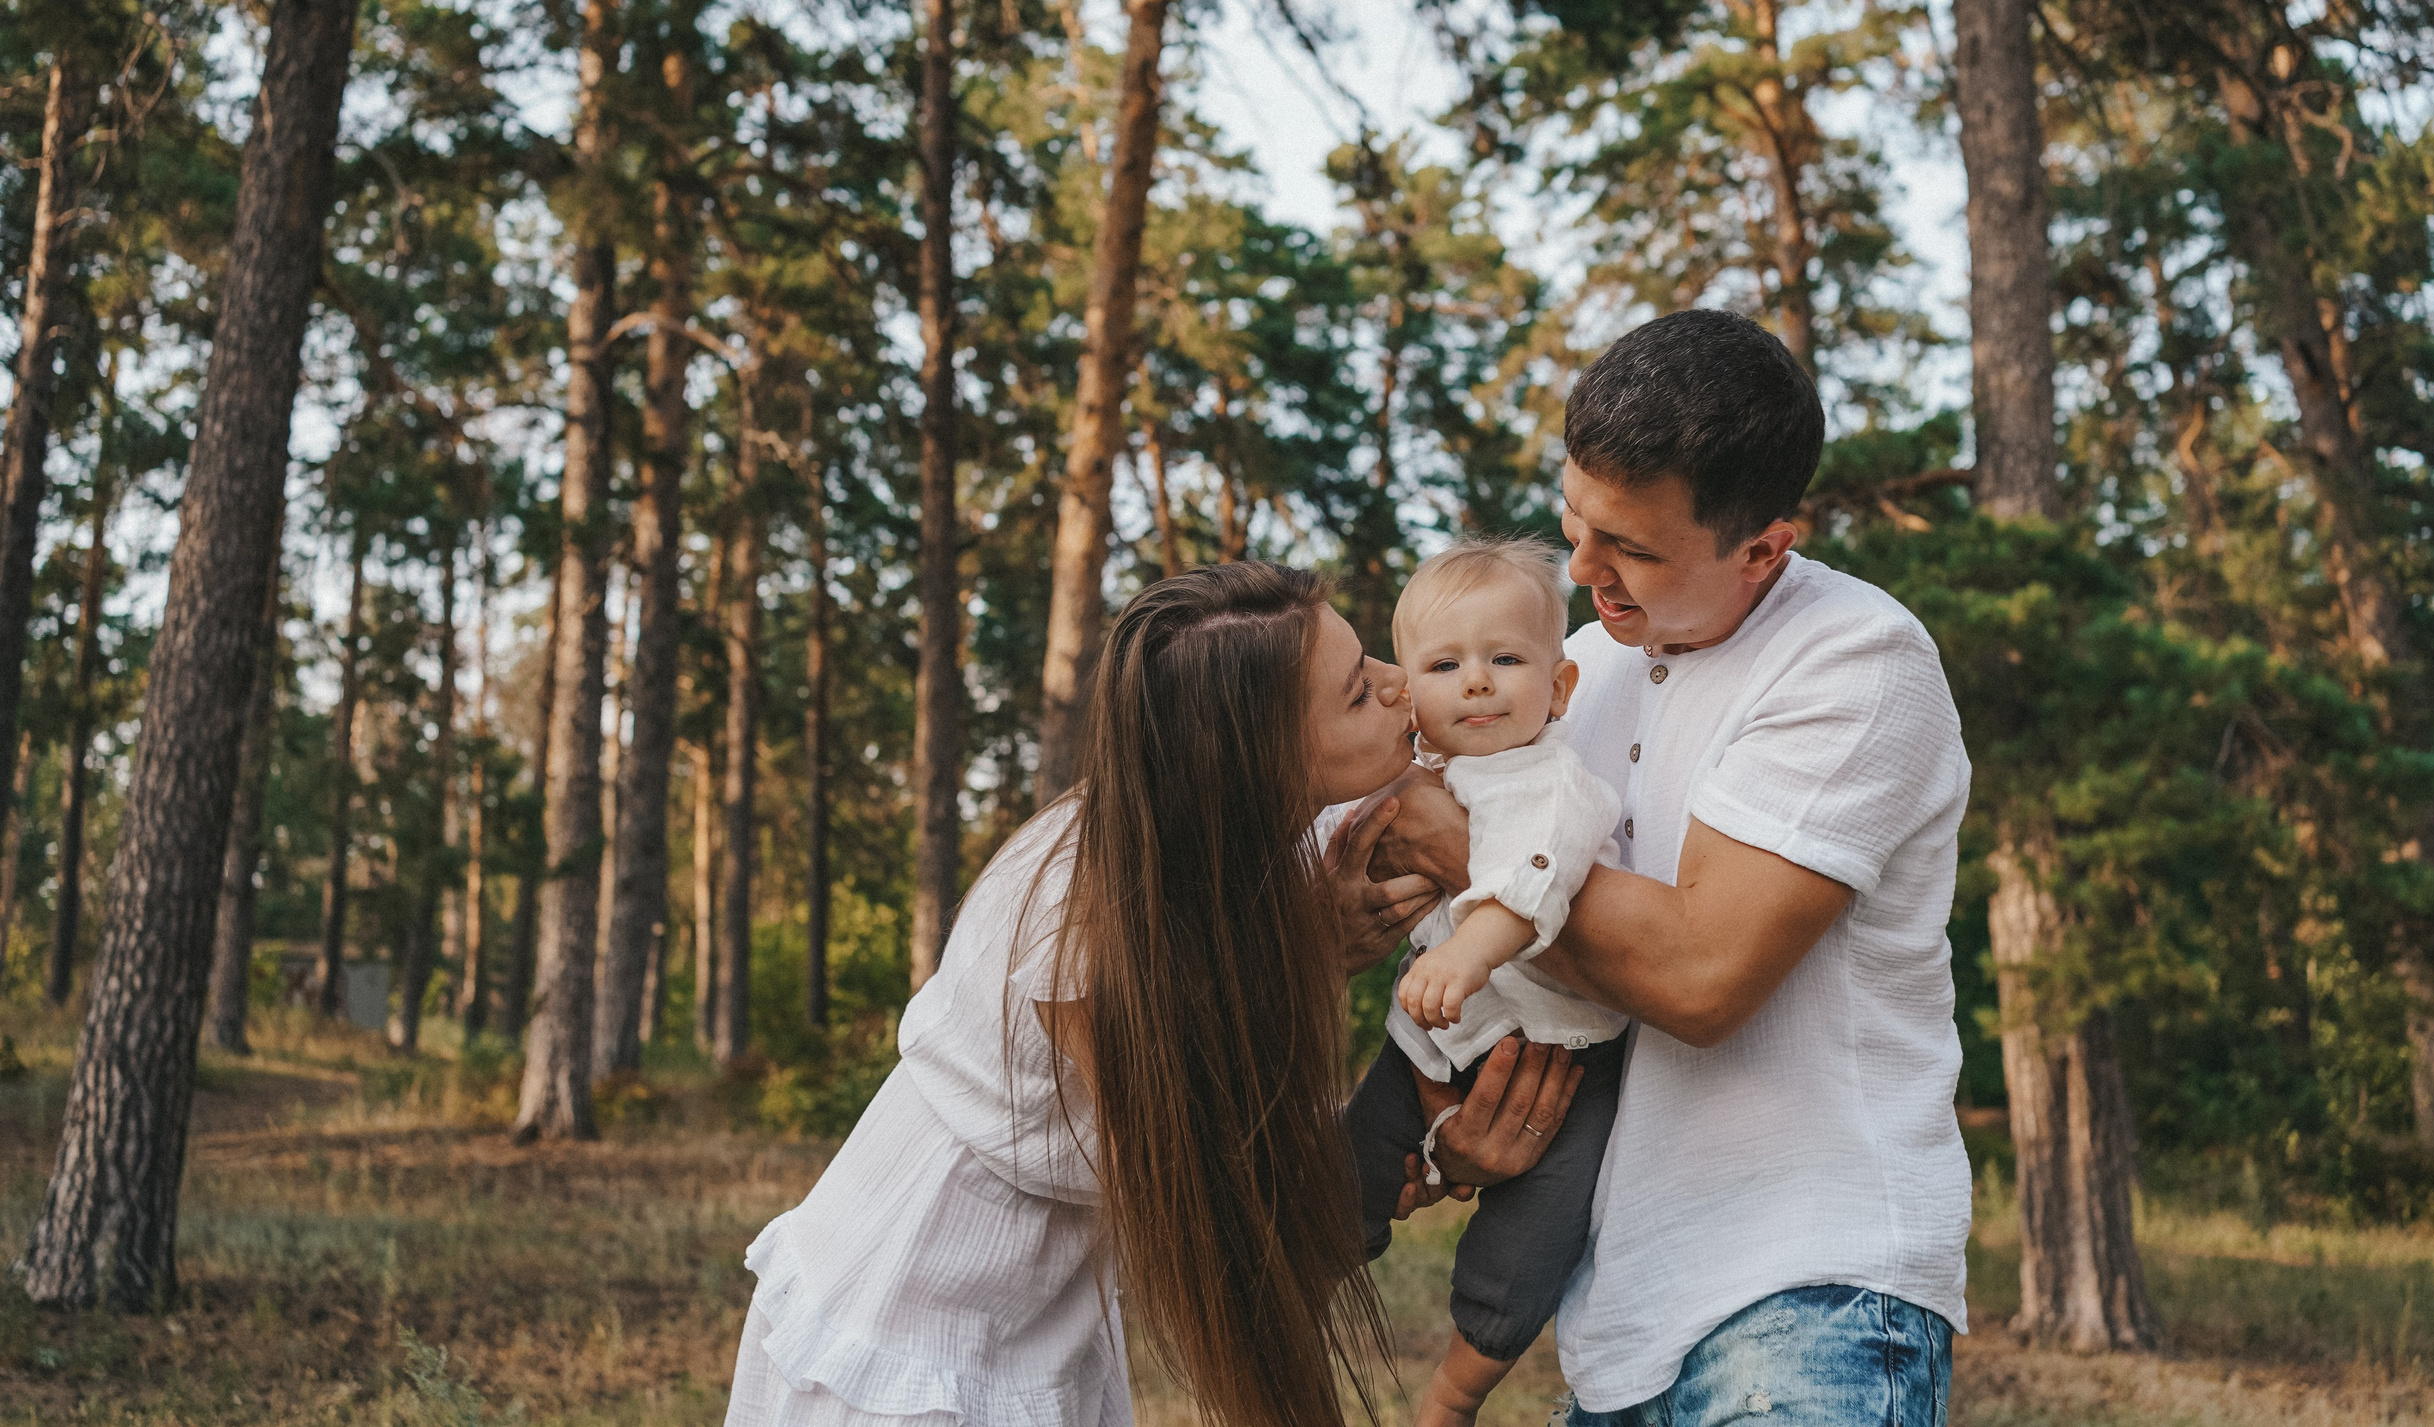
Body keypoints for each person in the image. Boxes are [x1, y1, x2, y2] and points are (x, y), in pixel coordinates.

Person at [720, 561, 1570, 1427]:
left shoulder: (1250, 821)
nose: (1402, 687)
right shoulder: (1082, 925)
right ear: (1259, 758)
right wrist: (1419, 1137)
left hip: (1051, 1316)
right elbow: (1218, 1204)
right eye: (1360, 692)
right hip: (910, 1333)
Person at [1376, 308, 1974, 1426]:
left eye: (1634, 550)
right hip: (1615, 1321)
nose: (1584, 568)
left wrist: (1454, 842)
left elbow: (1702, 977)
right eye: (1576, 524)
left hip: (1813, 1300)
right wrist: (1456, 1131)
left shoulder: (1855, 658)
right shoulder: (1566, 672)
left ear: (1763, 548)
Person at [1343, 538, 1628, 1426]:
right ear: (1408, 690)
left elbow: (1532, 879)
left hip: (1561, 1056)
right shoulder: (1416, 773)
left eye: (1506, 658)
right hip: (1433, 1036)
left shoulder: (1549, 779)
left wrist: (1466, 955)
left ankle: (1452, 1397)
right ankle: (1298, 1274)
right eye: (1445, 663)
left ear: (1559, 686)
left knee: (1533, 1238)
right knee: (1347, 1162)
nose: (1476, 681)